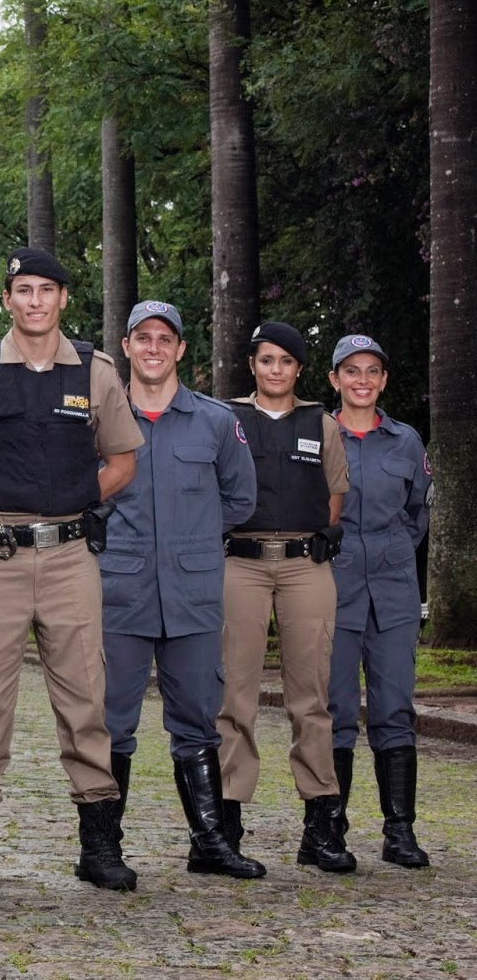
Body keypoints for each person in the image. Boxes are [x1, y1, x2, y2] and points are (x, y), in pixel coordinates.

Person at [0, 248, 142, 893]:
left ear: (63, 299)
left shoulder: (96, 372)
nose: (34, 301)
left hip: (69, 557)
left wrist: (72, 499)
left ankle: (99, 840)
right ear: (7, 298)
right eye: (22, 290)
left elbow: (120, 460)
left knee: (86, 696)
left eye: (46, 290)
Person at [99, 301, 265, 880]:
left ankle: (210, 843)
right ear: (125, 347)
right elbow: (83, 496)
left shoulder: (216, 422)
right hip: (119, 591)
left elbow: (241, 499)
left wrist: (190, 540)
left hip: (193, 595)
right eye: (141, 337)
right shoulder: (99, 418)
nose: (152, 347)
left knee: (197, 718)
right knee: (111, 721)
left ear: (180, 349)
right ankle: (103, 848)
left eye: (163, 338)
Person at [217, 322, 354, 873]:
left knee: (312, 698)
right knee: (234, 698)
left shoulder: (321, 423)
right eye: (267, 360)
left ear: (299, 369)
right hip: (239, 565)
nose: (276, 370)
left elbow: (335, 498)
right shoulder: (228, 421)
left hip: (305, 565)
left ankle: (320, 827)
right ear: (253, 365)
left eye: (286, 361)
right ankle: (224, 829)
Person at [326, 334, 431, 868]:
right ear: (335, 380)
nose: (362, 380)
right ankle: (329, 830)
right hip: (335, 591)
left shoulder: (407, 441)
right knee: (336, 711)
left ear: (384, 380)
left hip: (392, 594)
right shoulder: (319, 435)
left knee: (394, 709)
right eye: (351, 371)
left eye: (371, 371)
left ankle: (400, 831)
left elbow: (417, 515)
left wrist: (386, 555)